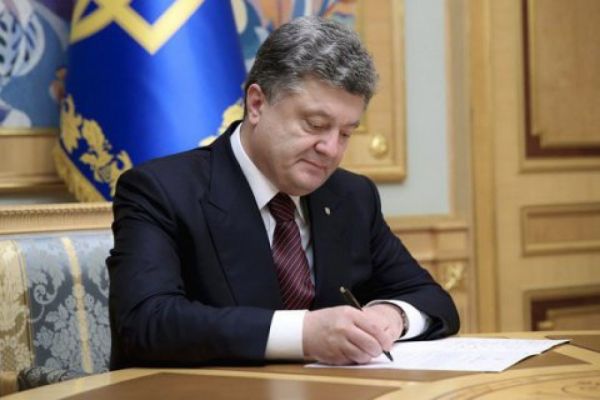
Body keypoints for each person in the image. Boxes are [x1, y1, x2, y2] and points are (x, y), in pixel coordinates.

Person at [107, 16, 459, 369]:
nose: (331, 149)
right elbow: (144, 323)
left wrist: (391, 315)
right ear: (257, 104)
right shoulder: (162, 191)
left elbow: (432, 299)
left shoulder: (351, 196)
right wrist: (303, 334)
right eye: (315, 124)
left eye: (346, 133)